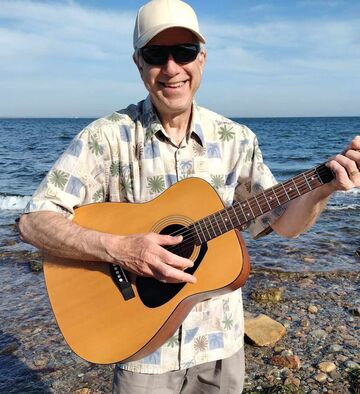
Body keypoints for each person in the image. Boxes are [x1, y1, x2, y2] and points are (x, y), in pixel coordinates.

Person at [18, 0, 360, 393]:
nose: (171, 69)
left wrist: (325, 187)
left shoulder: (237, 140)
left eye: (184, 52)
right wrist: (118, 248)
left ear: (202, 59)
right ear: (137, 63)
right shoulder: (106, 138)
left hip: (220, 346)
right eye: (155, 54)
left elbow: (284, 224)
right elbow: (34, 221)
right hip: (143, 352)